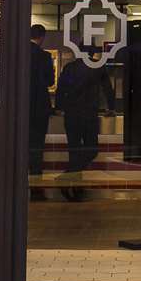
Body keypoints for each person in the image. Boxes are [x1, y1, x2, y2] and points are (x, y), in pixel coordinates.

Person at [55, 49, 105, 201]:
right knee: (92, 149)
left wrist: (59, 107)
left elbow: (61, 88)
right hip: (89, 115)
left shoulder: (70, 68)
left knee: (74, 150)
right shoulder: (97, 67)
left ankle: (71, 180)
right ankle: (74, 183)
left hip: (72, 115)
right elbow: (107, 87)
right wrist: (111, 106)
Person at [27, 24, 55, 199]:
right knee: (37, 142)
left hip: (22, 104)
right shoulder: (45, 56)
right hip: (40, 106)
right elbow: (50, 81)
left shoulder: (19, 53)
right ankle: (36, 173)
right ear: (42, 37)